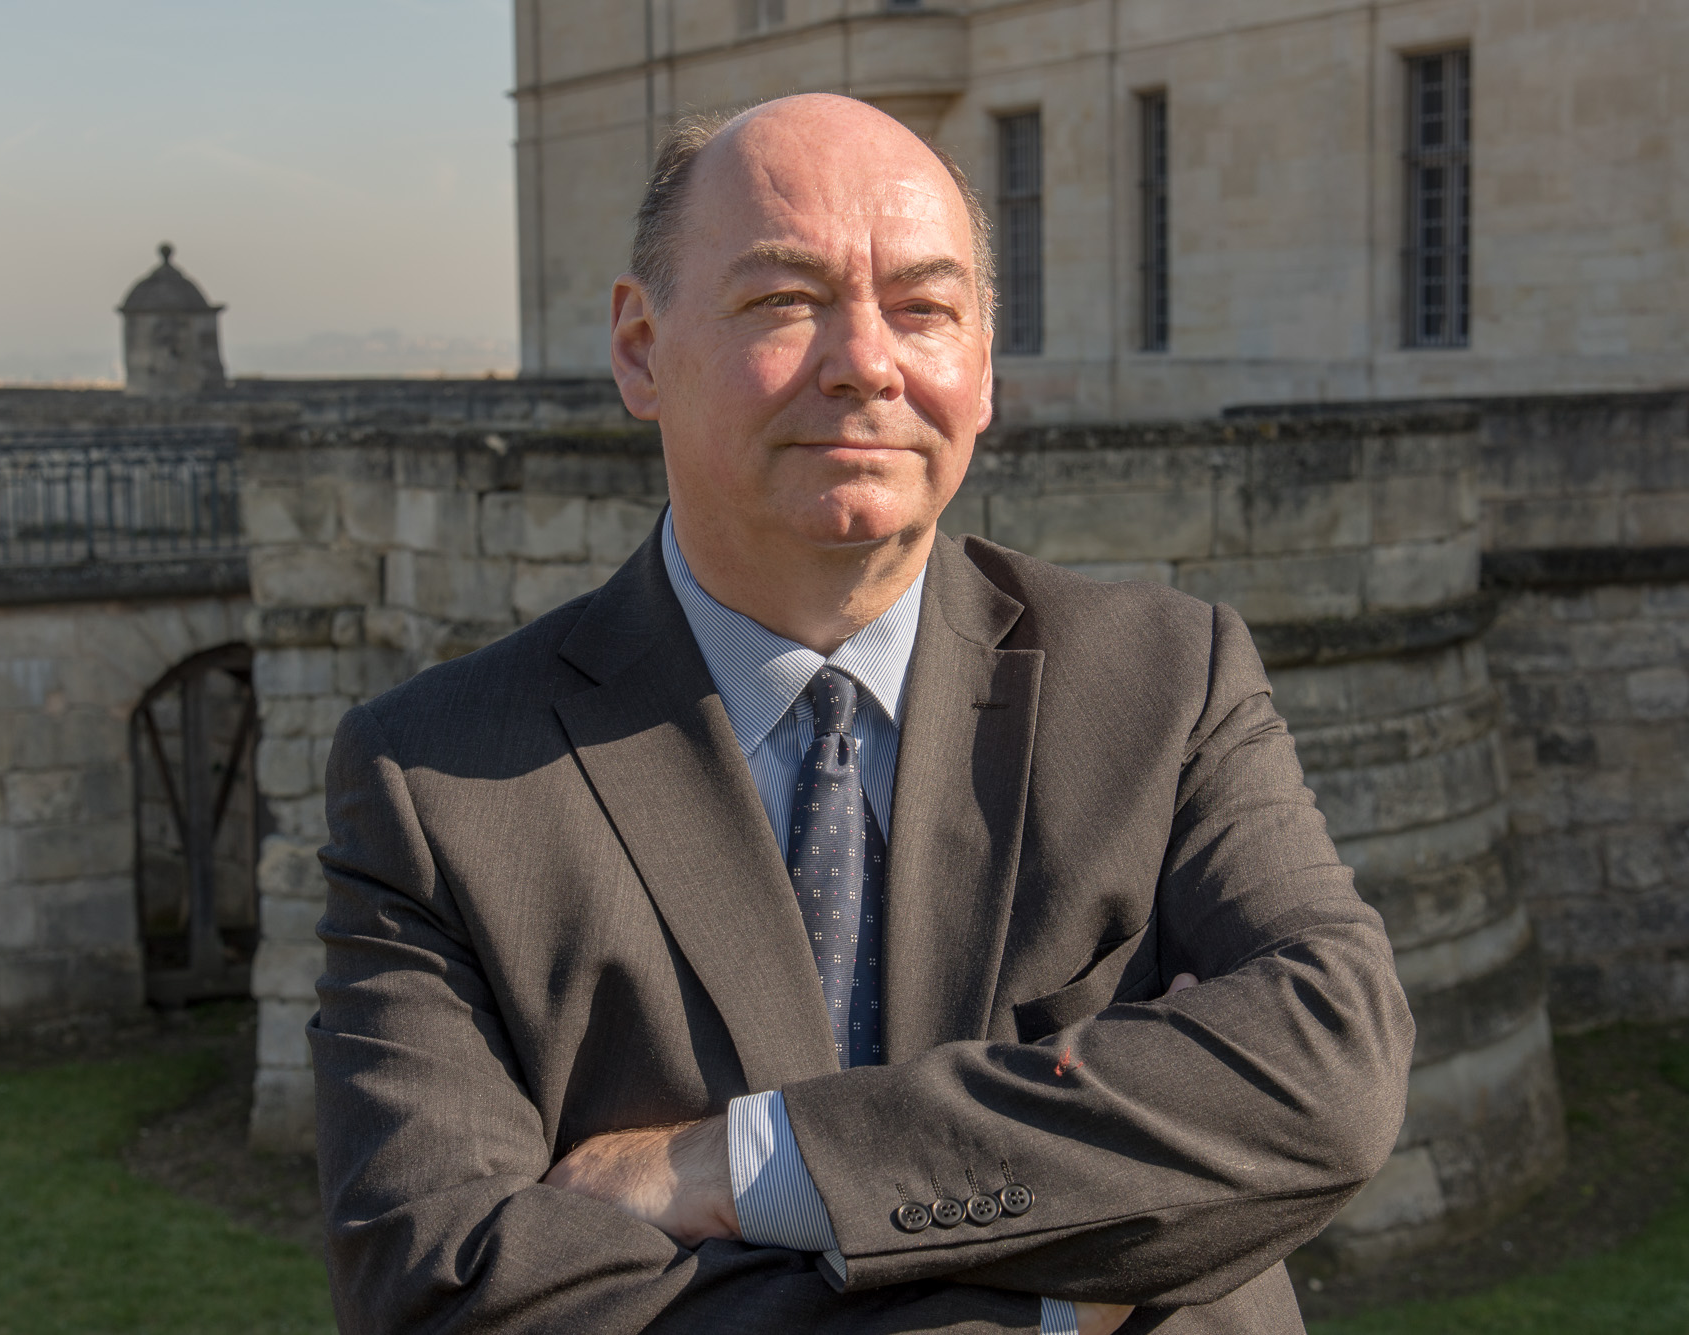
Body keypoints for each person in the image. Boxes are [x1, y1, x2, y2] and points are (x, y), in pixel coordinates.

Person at [310, 93, 1413, 1334]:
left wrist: (744, 1163)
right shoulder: (442, 778)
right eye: (784, 300)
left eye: (923, 310)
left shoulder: (1164, 684)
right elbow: (444, 1290)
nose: (864, 362)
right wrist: (1052, 1312)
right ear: (638, 347)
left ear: (981, 368)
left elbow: (1328, 1069)